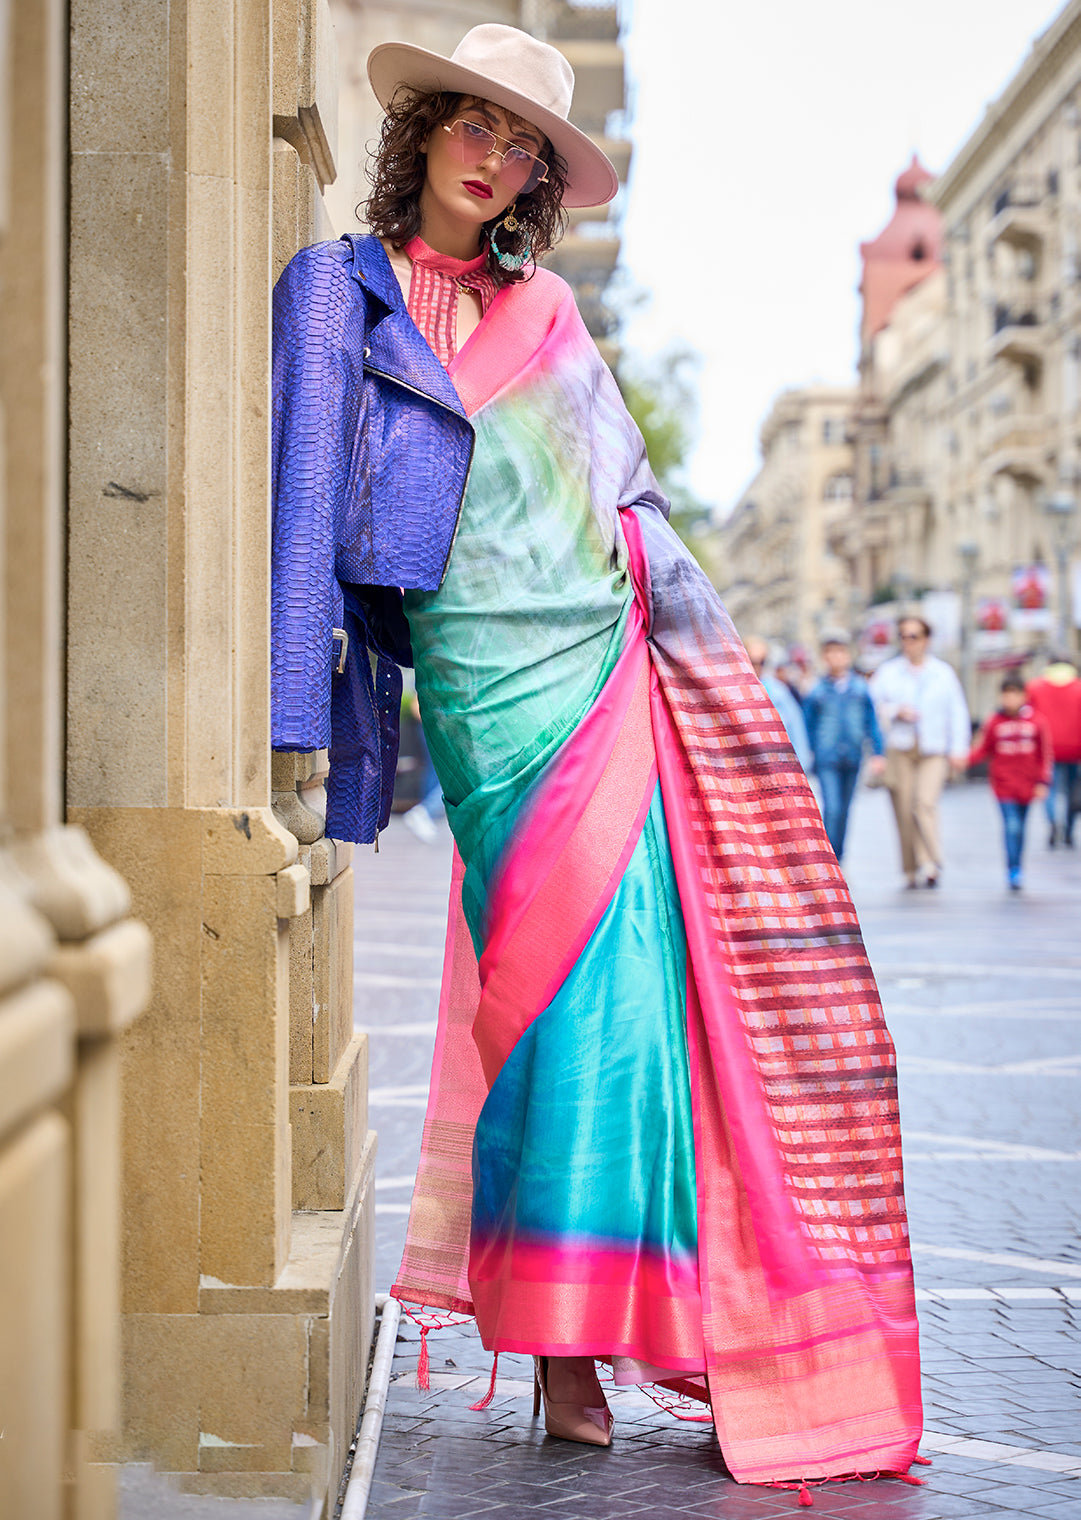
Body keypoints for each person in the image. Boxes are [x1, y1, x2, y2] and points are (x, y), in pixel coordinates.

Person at [269, 24, 922, 1490]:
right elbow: (304, 508)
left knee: (616, 1017)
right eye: (473, 127)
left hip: (605, 669)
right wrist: (300, 730)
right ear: (424, 130)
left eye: (523, 148)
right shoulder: (334, 291)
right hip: (483, 698)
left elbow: (624, 498)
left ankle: (579, 1345)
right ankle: (563, 1323)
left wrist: (714, 663)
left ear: (535, 185)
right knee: (539, 1002)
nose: (492, 158)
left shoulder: (551, 312)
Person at [870, 615, 970, 889]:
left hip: (933, 748)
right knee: (903, 810)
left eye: (914, 636)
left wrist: (959, 750)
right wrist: (894, 711)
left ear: (926, 640)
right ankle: (911, 867)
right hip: (900, 748)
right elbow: (872, 708)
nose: (908, 642)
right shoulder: (888, 672)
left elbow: (957, 712)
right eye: (903, 636)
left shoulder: (943, 673)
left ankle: (931, 861)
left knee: (924, 803)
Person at [803, 630, 885, 861]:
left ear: (847, 655)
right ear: (824, 657)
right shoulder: (817, 691)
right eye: (830, 653)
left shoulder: (860, 689)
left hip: (853, 755)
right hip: (826, 756)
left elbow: (872, 722)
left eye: (839, 652)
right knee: (832, 807)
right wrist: (808, 752)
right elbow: (807, 725)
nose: (835, 657)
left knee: (846, 809)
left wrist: (879, 753)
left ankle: (839, 854)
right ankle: (830, 859)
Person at [968, 674, 1052, 890]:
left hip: (1027, 785)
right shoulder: (995, 722)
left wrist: (1043, 781)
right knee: (1011, 826)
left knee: (1021, 828)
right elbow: (984, 750)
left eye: (1015, 694)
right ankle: (1012, 868)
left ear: (1023, 696)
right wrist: (963, 760)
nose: (1010, 700)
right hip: (1003, 785)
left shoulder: (1036, 722)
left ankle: (1018, 864)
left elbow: (1045, 754)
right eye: (1006, 695)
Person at [1025, 656, 1081, 847]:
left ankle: (1053, 823)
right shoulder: (1079, 688)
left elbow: (1028, 717)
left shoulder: (1035, 687)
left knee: (1049, 788)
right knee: (1074, 791)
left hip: (1046, 748)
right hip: (1076, 749)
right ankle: (1069, 828)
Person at [744, 636, 812, 772]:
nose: (757, 667)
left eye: (761, 662)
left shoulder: (778, 692)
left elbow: (796, 728)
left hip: (778, 767)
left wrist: (801, 766)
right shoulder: (733, 691)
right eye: (752, 661)